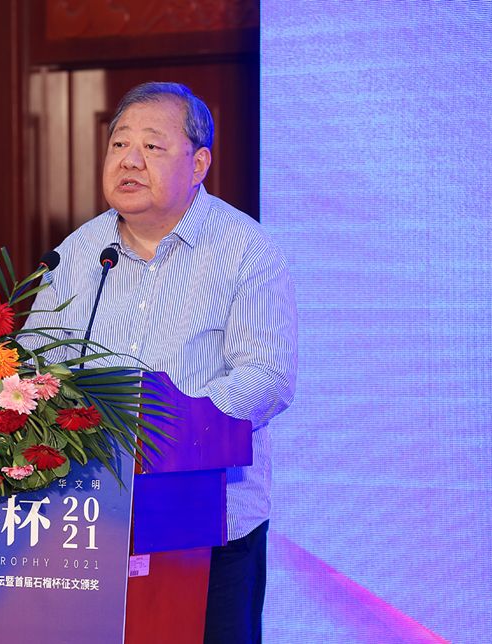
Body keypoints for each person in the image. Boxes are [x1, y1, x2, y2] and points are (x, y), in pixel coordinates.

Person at [29, 81, 297, 643]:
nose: (129, 160)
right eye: (118, 144)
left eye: (151, 146)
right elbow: (35, 364)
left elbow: (267, 376)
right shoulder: (78, 252)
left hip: (210, 527)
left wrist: (170, 428)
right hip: (91, 523)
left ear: (198, 164)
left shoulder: (247, 250)